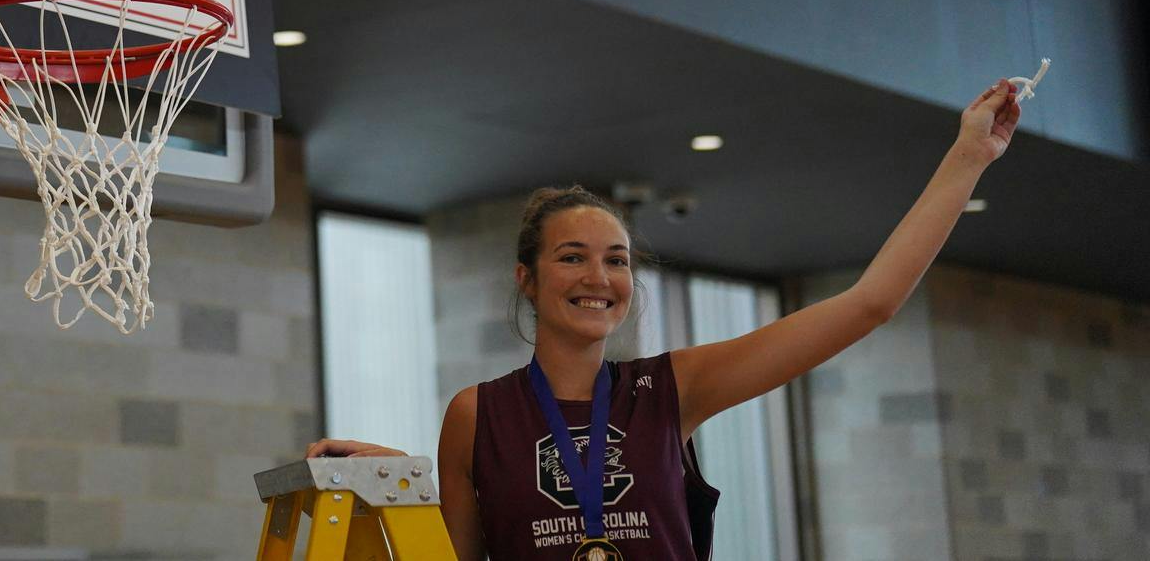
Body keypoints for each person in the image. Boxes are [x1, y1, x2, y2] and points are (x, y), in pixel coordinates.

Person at [306, 79, 1026, 560]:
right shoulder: (477, 415)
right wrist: (397, 490)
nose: (599, 278)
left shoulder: (673, 389)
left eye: (617, 260)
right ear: (527, 279)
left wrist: (968, 157)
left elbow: (870, 303)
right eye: (572, 258)